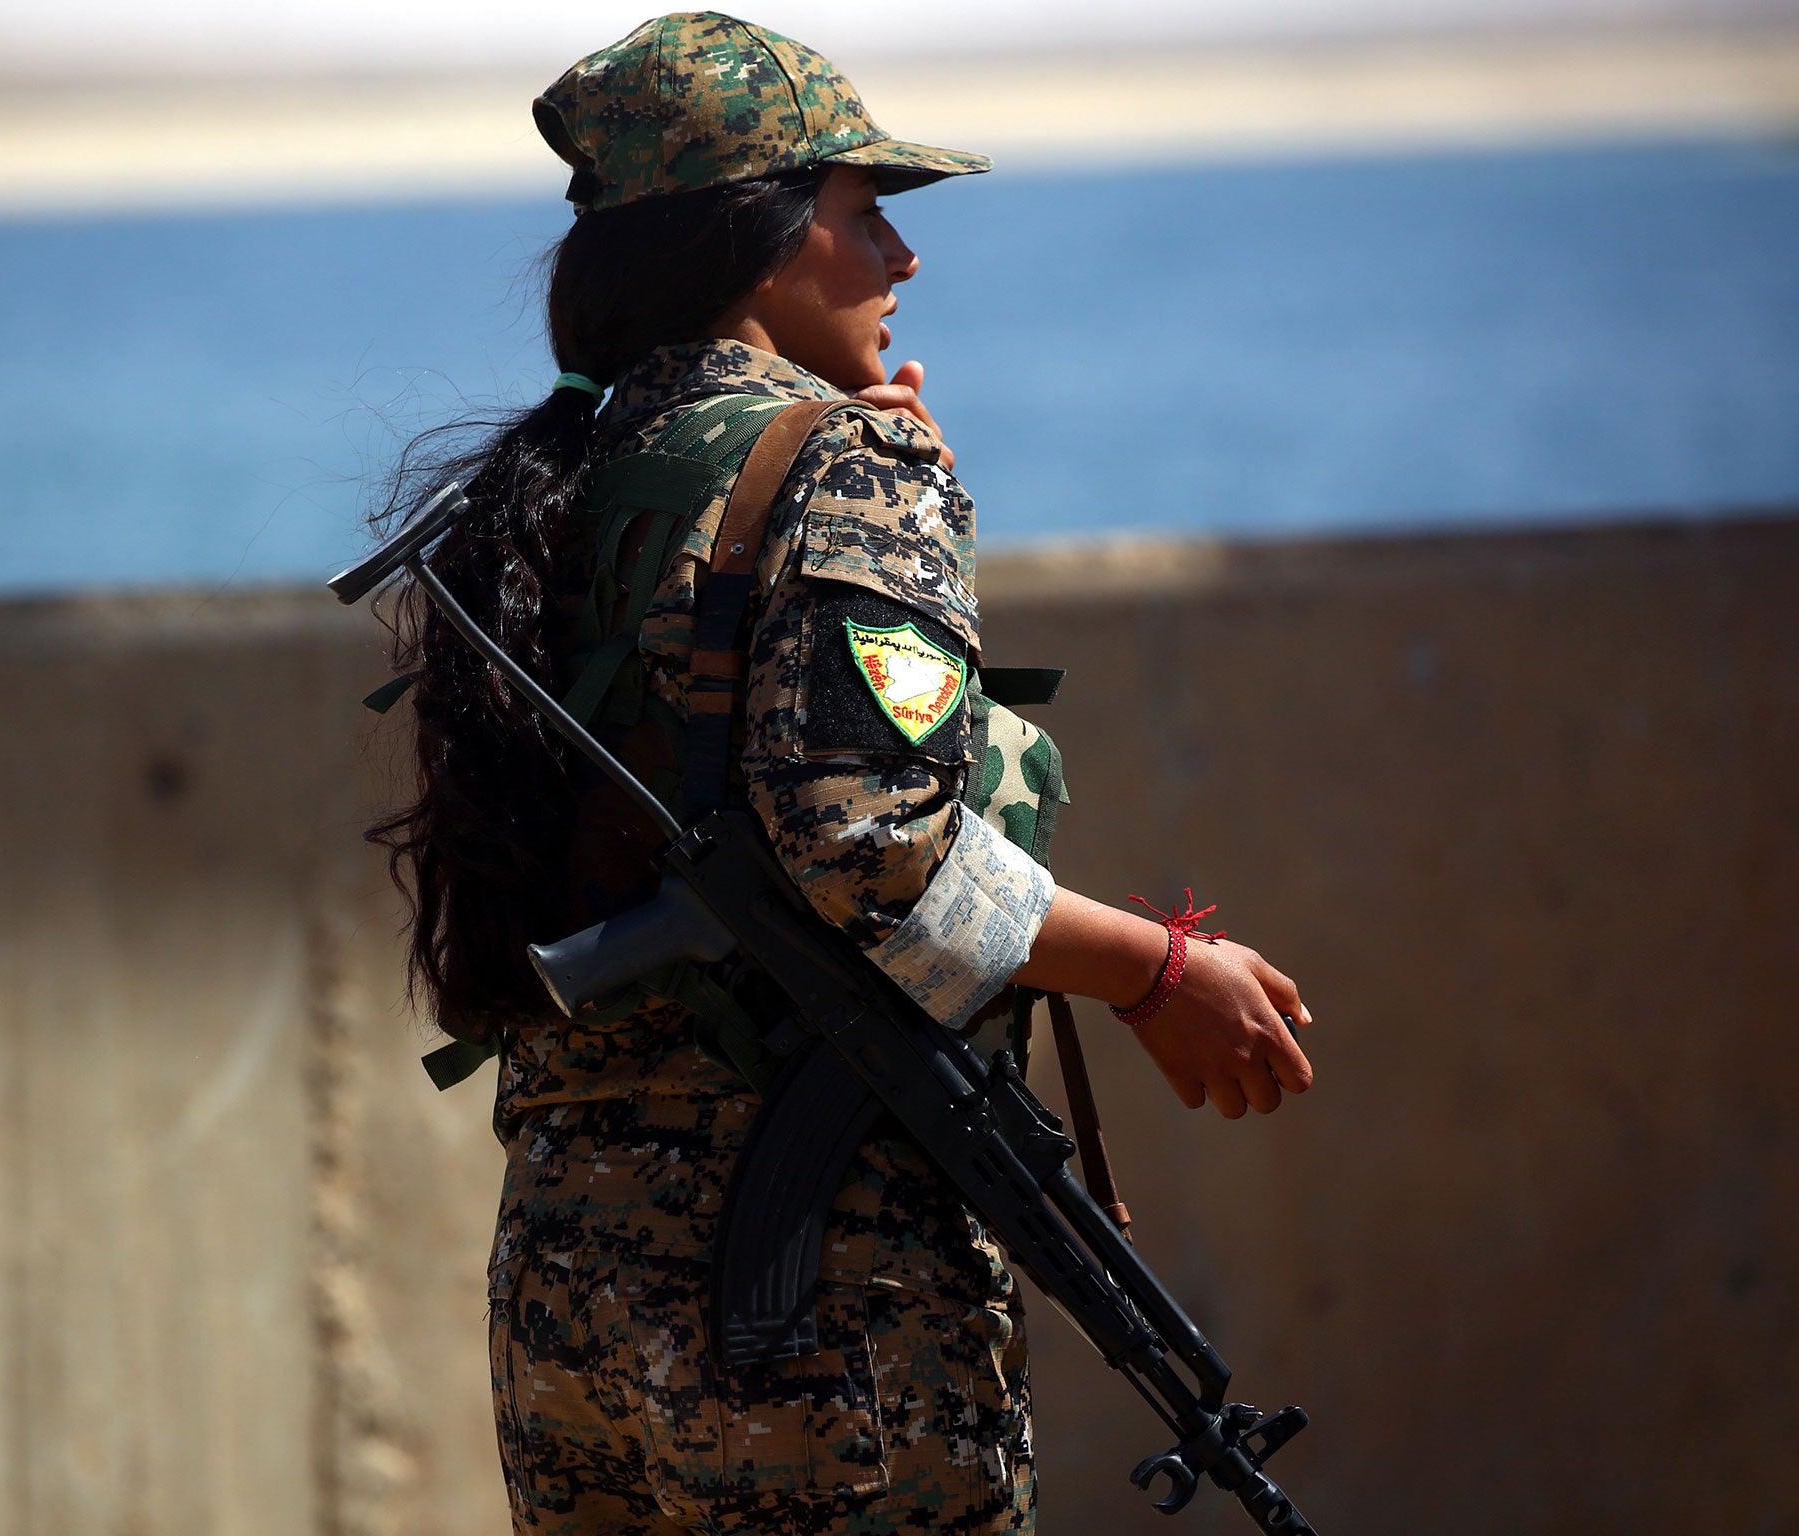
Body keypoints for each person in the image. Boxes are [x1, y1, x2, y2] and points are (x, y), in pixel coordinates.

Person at [368, 13, 1315, 1533]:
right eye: (863, 212)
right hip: (811, 1294)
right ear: (757, 242)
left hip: (572, 1283)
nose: (902, 257)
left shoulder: (563, 480)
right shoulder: (838, 468)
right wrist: (1151, 969)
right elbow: (867, 843)